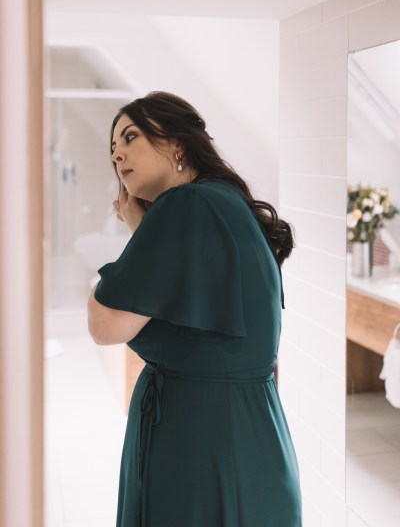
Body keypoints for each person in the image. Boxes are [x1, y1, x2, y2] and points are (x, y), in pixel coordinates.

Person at [87, 91, 302, 527]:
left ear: (176, 145)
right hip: (251, 431)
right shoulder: (224, 202)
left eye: (130, 137)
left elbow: (105, 322)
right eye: (113, 149)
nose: (118, 155)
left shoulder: (184, 205)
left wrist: (138, 232)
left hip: (200, 441)